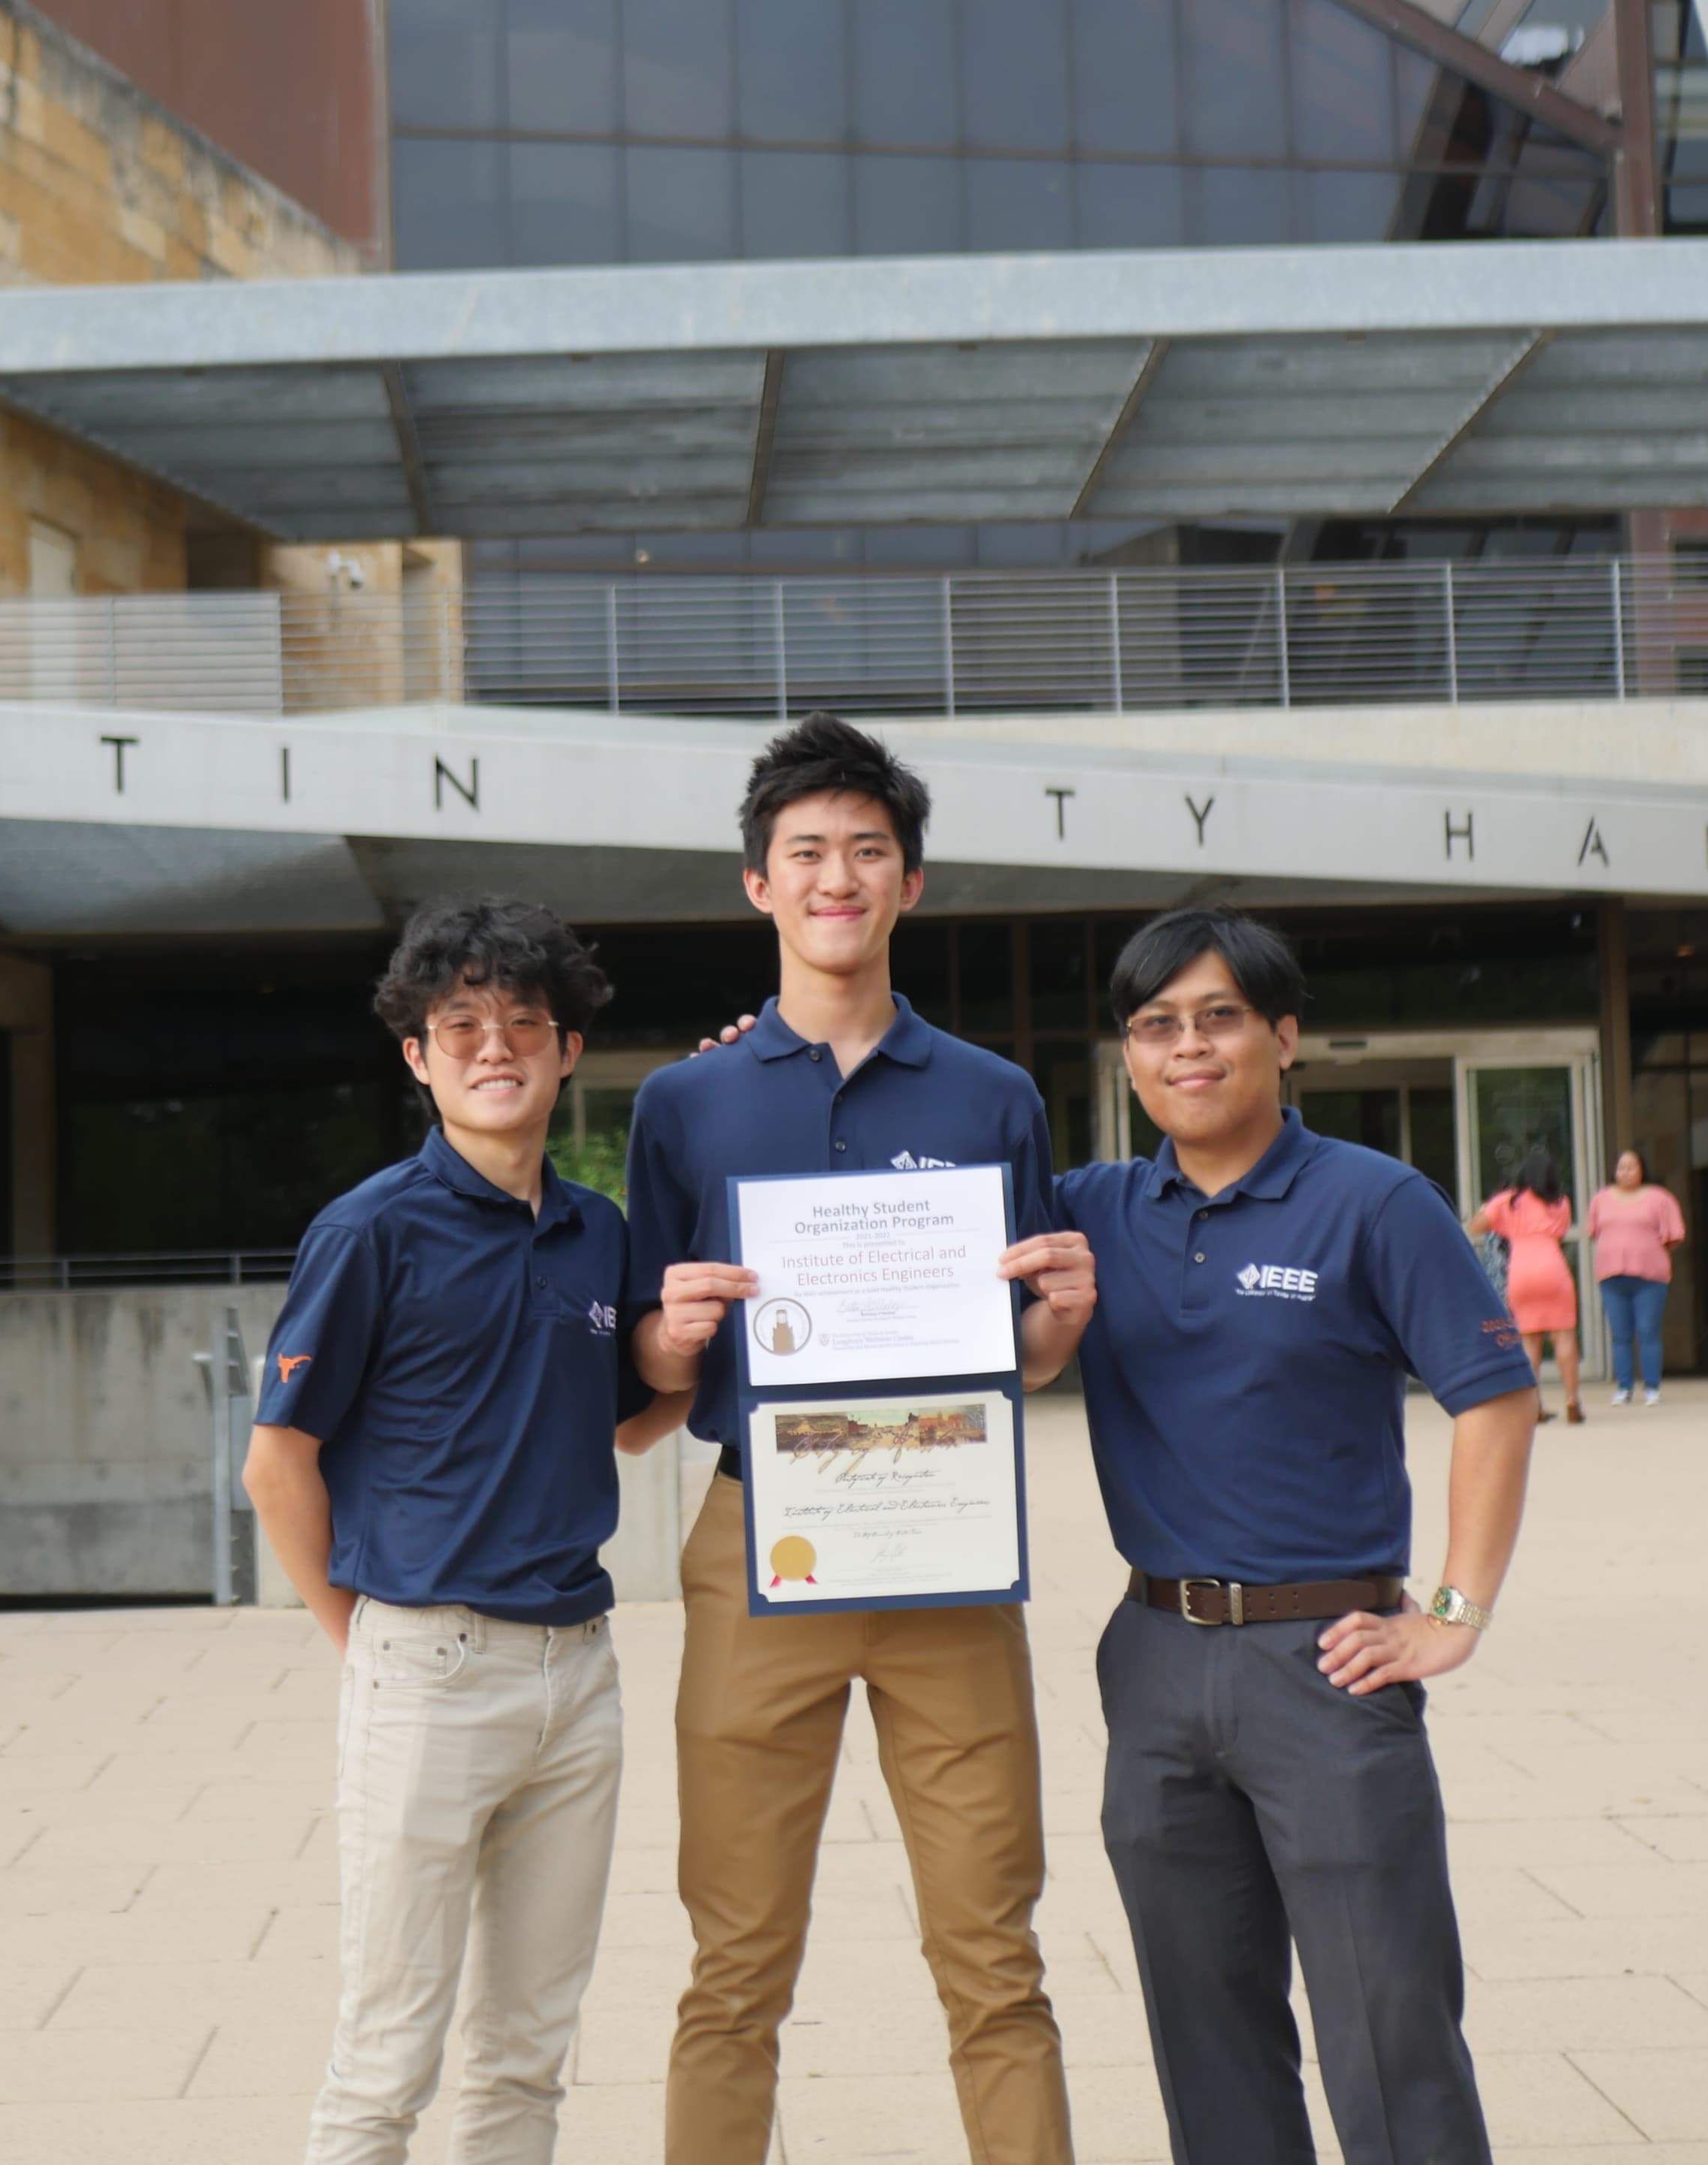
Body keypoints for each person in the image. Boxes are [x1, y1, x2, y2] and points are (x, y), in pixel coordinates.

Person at [622, 712, 1099, 2165]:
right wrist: (672, 1331)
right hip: (757, 1536)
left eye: (869, 852)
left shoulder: (992, 1095)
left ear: (911, 886)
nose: (840, 877)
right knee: (735, 1966)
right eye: (808, 853)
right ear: (758, 885)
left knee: (994, 1956)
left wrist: (1057, 1332)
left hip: (946, 1540)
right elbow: (638, 1378)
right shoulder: (682, 1103)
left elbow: (1009, 1354)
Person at [1057, 906, 1539, 2165]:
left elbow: (1496, 1398)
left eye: (1219, 1017)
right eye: (1157, 1025)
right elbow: (903, 1213)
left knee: (1389, 2031)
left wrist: (1454, 1612)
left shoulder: (1376, 1204)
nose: (1188, 1048)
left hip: (1326, 1663)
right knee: (1206, 2041)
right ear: (1129, 1056)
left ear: (1283, 1036)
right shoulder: (1093, 1208)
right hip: (1154, 1658)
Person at [243, 895, 683, 2165]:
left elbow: (627, 1425)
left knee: (529, 2053)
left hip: (579, 1677)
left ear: (565, 1052)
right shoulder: (372, 1230)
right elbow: (278, 1464)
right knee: (389, 2054)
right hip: (424, 1666)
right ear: (417, 1056)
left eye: (523, 1025)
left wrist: (691, 1344)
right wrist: (365, 1638)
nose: (496, 1048)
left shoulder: (596, 1232)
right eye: (462, 1027)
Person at [1469, 1148, 1582, 1423]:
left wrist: (1489, 1206)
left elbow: (1475, 1227)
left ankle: (1535, 1406)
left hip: (1521, 1271)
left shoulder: (1507, 1202)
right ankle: (1572, 1401)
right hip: (1553, 1268)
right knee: (1564, 1337)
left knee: (1529, 1342)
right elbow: (1561, 1232)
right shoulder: (1560, 1202)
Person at [1588, 1148, 1685, 1406]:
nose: (1626, 1172)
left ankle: (1652, 1387)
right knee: (1620, 1334)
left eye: (1632, 1166)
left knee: (1648, 1331)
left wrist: (1648, 1252)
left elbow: (1674, 1236)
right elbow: (1594, 1231)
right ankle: (1624, 1387)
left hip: (1650, 1277)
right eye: (1622, 1167)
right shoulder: (1601, 1199)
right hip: (1612, 1275)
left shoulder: (1660, 1198)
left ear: (1642, 1169)